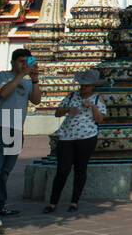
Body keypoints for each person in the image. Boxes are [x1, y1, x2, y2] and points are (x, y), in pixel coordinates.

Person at [0, 47, 41, 217]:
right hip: (0, 127)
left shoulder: (29, 83)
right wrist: (21, 75)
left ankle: (0, 204)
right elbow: (3, 94)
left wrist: (35, 80)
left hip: (16, 129)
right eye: (21, 61)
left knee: (5, 171)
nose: (24, 65)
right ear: (13, 62)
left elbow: (36, 100)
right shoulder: (2, 76)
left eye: (27, 62)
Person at [45, 68, 107, 213]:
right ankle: (53, 202)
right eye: (83, 85)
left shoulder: (97, 99)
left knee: (80, 169)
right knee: (63, 169)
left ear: (93, 86)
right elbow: (57, 112)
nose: (84, 87)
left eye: (87, 85)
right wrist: (68, 110)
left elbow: (99, 119)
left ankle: (74, 201)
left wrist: (92, 107)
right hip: (67, 136)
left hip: (87, 137)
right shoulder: (72, 96)